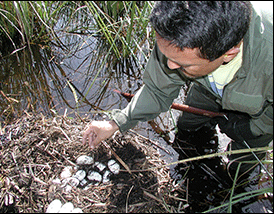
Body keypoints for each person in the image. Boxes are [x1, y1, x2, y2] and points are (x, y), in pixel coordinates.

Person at [83, 1, 273, 178]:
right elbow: (157, 90)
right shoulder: (176, 35)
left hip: (262, 110)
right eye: (166, 55)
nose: (169, 65)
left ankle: (235, 178)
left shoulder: (268, 56)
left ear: (228, 53)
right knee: (187, 128)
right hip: (207, 88)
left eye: (182, 64)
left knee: (243, 161)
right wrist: (116, 123)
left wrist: (255, 127)